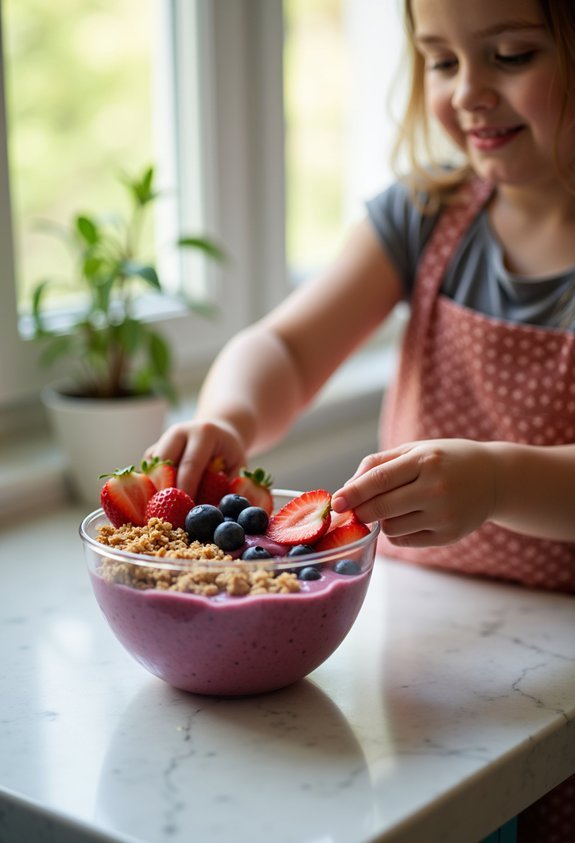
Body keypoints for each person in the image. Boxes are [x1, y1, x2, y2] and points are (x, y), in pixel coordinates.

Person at [148, 1, 575, 836]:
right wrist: (228, 417)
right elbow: (285, 347)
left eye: (510, 54)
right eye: (441, 61)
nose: (466, 93)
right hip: (425, 649)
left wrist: (496, 480)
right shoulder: (425, 213)